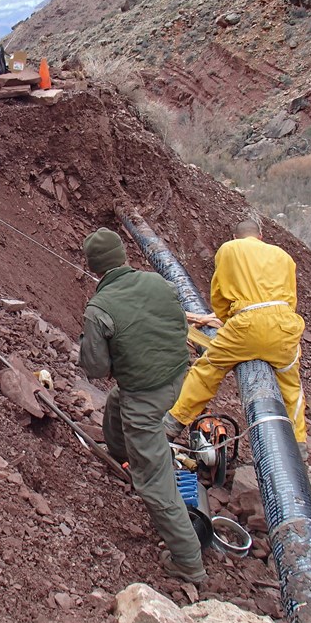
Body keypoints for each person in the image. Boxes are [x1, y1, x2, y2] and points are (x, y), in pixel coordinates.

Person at [79, 227, 206, 584]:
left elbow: (95, 369)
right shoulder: (159, 282)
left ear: (94, 267)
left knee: (155, 482)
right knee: (116, 403)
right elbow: (181, 328)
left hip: (146, 398)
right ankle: (123, 456)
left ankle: (188, 560)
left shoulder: (98, 309)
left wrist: (88, 337)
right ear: (122, 256)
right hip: (179, 379)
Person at [163, 220, 307, 460]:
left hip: (246, 324)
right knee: (292, 384)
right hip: (284, 326)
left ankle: (172, 424)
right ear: (260, 236)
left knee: (208, 369)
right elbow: (290, 300)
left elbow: (219, 294)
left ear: (234, 236)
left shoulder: (229, 250)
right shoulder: (284, 256)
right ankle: (299, 445)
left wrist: (227, 320)